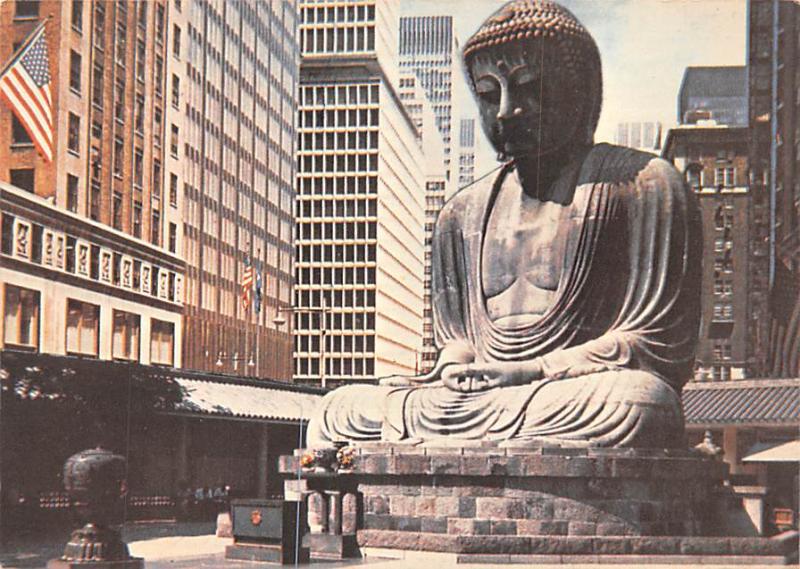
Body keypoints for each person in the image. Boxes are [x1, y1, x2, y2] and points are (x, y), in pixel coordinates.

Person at [307, 0, 702, 449]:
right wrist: (456, 367)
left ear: (580, 91)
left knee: (640, 402)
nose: (506, 111)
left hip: (571, 390)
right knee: (338, 410)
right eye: (489, 95)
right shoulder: (461, 213)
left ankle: (471, 438)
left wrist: (531, 370)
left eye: (529, 88)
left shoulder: (643, 184)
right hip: (481, 398)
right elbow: (457, 340)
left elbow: (658, 343)